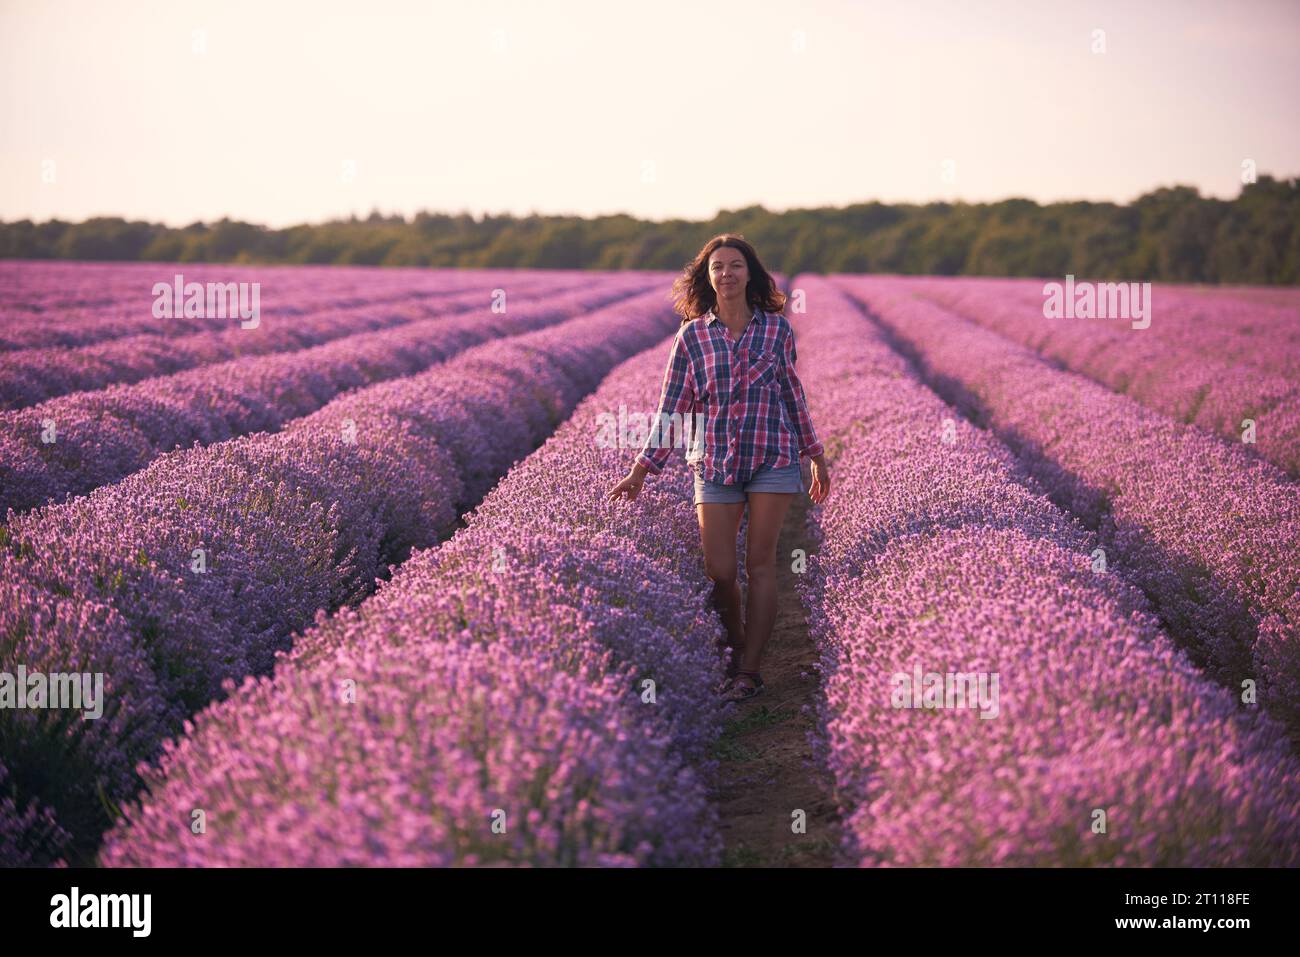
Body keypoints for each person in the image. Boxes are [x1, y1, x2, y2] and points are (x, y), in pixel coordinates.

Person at [606, 234, 830, 702]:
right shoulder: (691, 336)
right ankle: (737, 644)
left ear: (750, 274)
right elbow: (672, 408)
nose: (726, 273)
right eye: (717, 267)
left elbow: (793, 394)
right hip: (712, 460)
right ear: (706, 278)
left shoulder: (776, 330)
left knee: (761, 564)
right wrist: (641, 469)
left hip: (772, 455)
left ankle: (748, 669)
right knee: (720, 570)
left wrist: (815, 455)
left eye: (734, 265)